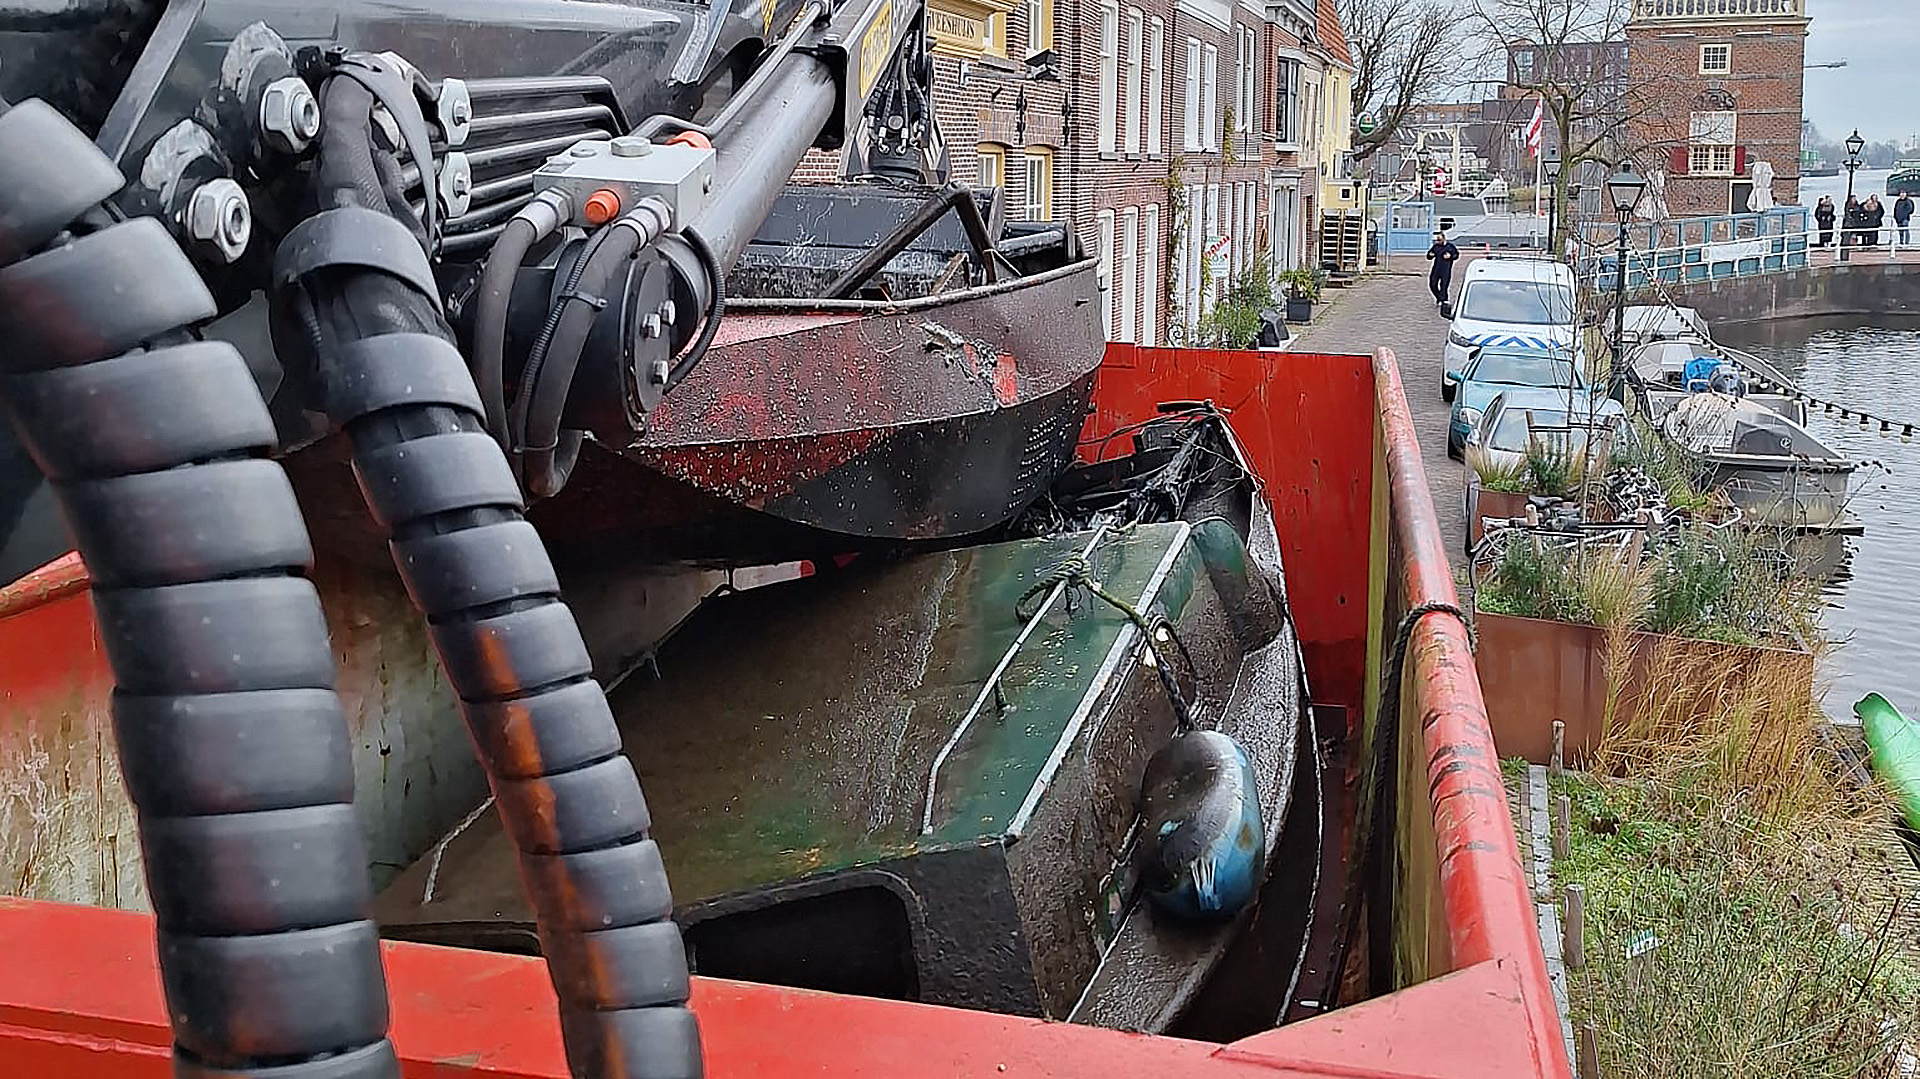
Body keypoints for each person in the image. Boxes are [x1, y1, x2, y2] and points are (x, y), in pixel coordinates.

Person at [1426, 230, 1460, 310]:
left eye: (1439, 240)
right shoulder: (1435, 247)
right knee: (1432, 284)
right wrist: (1430, 255)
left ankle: (1444, 300)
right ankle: (1439, 298)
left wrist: (1450, 256)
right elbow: (1428, 256)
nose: (1437, 241)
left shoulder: (1450, 247)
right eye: (1437, 240)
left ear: (1444, 239)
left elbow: (1456, 255)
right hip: (1436, 268)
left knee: (1444, 286)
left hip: (1446, 269)